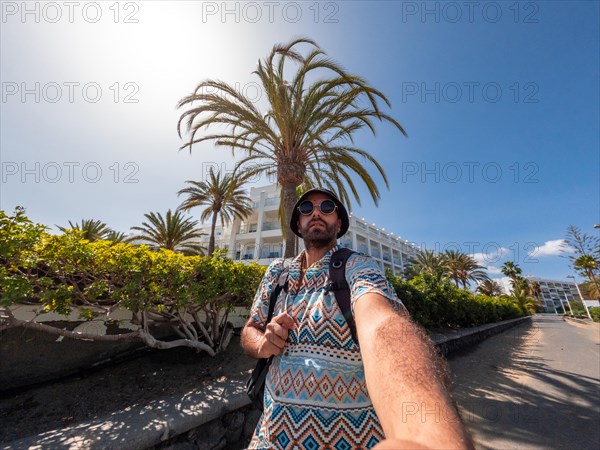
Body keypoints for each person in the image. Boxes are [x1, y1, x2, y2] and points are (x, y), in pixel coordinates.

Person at [241, 188, 473, 449]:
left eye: (327, 207)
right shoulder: (276, 273)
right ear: (298, 223)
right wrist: (262, 344)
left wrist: (424, 436)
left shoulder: (357, 266)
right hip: (268, 440)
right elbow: (251, 328)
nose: (316, 212)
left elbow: (382, 325)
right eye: (306, 209)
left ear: (338, 223)